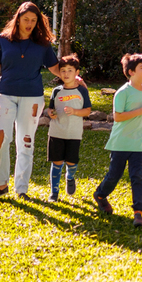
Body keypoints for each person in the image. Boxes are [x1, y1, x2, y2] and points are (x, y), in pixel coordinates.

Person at [0, 1, 62, 200]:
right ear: (17, 19)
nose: (29, 24)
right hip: (5, 95)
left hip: (32, 98)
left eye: (34, 20)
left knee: (25, 142)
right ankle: (2, 185)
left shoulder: (42, 44)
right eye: (26, 19)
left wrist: (74, 78)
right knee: (0, 138)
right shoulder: (3, 40)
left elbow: (55, 68)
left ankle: (22, 189)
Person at [94, 53, 142, 227]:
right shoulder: (122, 92)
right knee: (114, 176)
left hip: (138, 142)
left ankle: (138, 212)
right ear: (131, 72)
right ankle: (100, 195)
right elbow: (118, 117)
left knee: (137, 176)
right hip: (121, 142)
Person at [44, 54, 92, 202]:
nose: (66, 74)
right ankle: (54, 192)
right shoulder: (56, 91)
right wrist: (50, 113)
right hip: (56, 132)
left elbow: (88, 111)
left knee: (71, 162)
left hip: (74, 133)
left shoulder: (82, 91)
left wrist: (75, 112)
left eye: (70, 70)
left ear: (77, 73)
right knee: (57, 162)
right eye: (63, 70)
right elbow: (50, 109)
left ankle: (70, 177)